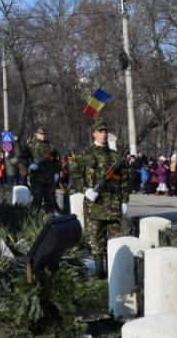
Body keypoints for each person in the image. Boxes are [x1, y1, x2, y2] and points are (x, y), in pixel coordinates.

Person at [71, 119, 131, 278]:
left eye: (105, 131)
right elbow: (76, 176)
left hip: (113, 204)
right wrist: (85, 190)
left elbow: (125, 180)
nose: (103, 134)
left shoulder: (116, 156)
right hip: (94, 205)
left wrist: (125, 201)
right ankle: (100, 272)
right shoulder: (85, 155)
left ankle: (114, 272)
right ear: (94, 134)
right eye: (100, 131)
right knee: (96, 241)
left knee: (114, 241)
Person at [27, 127, 59, 212]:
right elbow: (22, 158)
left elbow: (57, 160)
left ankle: (49, 221)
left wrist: (57, 173)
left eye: (44, 134)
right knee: (37, 199)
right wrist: (30, 165)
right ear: (37, 134)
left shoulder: (51, 147)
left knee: (50, 200)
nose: (43, 136)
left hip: (49, 177)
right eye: (41, 134)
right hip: (36, 177)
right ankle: (32, 220)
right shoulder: (31, 146)